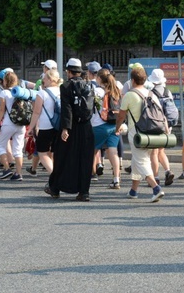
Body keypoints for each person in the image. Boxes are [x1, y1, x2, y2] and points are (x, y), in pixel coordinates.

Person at [46, 59, 96, 201]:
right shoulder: (89, 85)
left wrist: (65, 129)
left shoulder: (66, 86)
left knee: (62, 157)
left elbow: (66, 109)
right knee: (85, 159)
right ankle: (84, 192)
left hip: (72, 127)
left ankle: (55, 188)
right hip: (86, 127)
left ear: (68, 72)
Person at [116, 64, 165, 202]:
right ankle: (133, 191)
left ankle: (156, 188)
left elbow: (121, 116)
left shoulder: (130, 95)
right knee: (137, 160)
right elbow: (161, 114)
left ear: (132, 80)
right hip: (153, 133)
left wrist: (117, 128)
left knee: (141, 161)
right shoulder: (152, 94)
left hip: (137, 133)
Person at [27, 68, 61, 179]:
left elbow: (36, 112)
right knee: (55, 152)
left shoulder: (42, 93)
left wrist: (30, 128)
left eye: (45, 77)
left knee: (42, 152)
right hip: (59, 126)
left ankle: (54, 176)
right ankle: (58, 173)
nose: (43, 80)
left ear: (51, 79)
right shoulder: (62, 90)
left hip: (45, 127)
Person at [92, 68, 122, 190]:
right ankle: (116, 180)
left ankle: (92, 174)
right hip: (114, 125)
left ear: (99, 78)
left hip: (99, 126)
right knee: (113, 152)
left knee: (92, 151)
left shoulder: (97, 91)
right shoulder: (116, 91)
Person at [0, 71, 26, 181]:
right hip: (21, 124)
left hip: (8, 123)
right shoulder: (21, 92)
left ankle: (7, 169)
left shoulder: (4, 93)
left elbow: (1, 110)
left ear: (5, 81)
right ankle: (19, 173)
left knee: (0, 147)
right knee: (18, 149)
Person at [148, 68, 176, 186]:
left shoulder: (151, 93)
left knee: (154, 153)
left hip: (156, 125)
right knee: (161, 151)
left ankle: (156, 178)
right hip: (167, 125)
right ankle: (168, 171)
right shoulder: (167, 92)